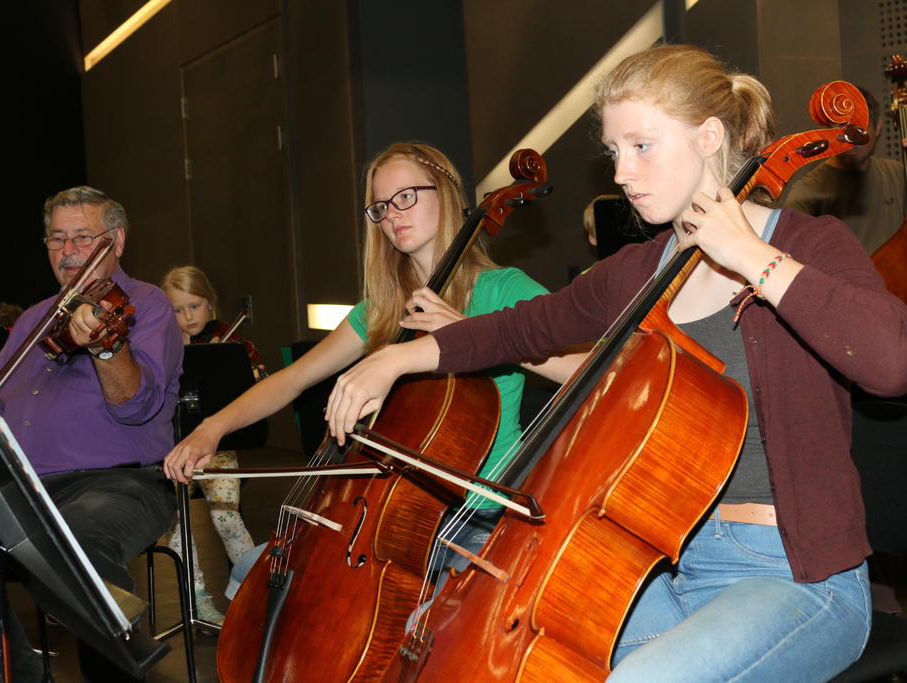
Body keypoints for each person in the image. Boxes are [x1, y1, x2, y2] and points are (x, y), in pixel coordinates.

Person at [325, 45, 907, 681]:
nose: (623, 173)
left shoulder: (808, 245)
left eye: (642, 146)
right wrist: (396, 359)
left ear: (709, 137)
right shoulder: (639, 270)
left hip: (796, 578)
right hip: (655, 563)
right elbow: (520, 328)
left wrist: (750, 257)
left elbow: (891, 362)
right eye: (614, 152)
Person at [163, 141, 577, 595]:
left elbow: (587, 367)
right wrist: (212, 428)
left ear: (444, 193)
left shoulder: (503, 290)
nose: (392, 215)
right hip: (391, 508)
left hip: (479, 517)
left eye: (406, 196)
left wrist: (473, 334)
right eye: (381, 207)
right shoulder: (381, 310)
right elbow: (293, 379)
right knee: (255, 575)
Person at [0, 186, 182, 682]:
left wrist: (105, 346)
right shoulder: (35, 318)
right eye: (57, 239)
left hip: (123, 484)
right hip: (28, 490)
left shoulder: (147, 305)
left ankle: (121, 666)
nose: (69, 251)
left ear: (117, 240)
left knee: (73, 541)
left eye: (83, 237)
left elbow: (138, 407)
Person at [160, 265, 257, 623]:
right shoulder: (161, 348)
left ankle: (254, 591)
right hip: (174, 447)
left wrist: (246, 377)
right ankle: (197, 599)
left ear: (210, 303)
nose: (188, 317)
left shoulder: (227, 345)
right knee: (178, 525)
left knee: (228, 518)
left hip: (218, 449)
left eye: (195, 306)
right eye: (177, 309)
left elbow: (248, 396)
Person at [782, 85, 907, 253]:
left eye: (860, 127)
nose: (851, 138)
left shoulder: (897, 173)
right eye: (841, 128)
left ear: (877, 127)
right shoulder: (807, 191)